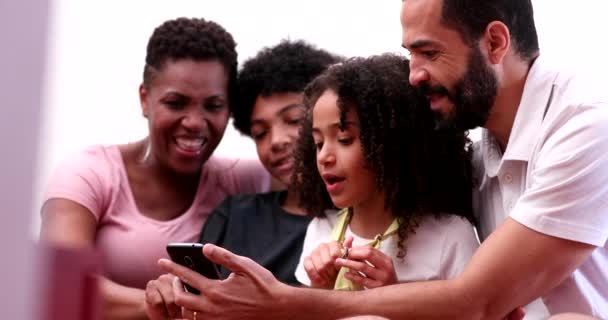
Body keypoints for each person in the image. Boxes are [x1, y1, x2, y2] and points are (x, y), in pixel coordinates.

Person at [157, 0, 608, 318]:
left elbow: (475, 300)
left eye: (428, 52)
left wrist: (284, 303)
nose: (414, 74)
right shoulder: (479, 142)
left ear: (494, 42)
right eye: (410, 53)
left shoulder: (587, 125)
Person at [39, 17, 270, 319]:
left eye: (213, 106)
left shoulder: (247, 181)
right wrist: (157, 302)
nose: (194, 122)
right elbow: (56, 281)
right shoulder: (88, 173)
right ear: (145, 99)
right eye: (175, 103)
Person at [143, 40, 340, 319]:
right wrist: (172, 303)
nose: (276, 141)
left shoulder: (356, 222)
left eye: (294, 120)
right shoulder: (234, 214)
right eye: (260, 133)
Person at [292, 54, 478, 290]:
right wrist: (321, 291)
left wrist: (391, 296)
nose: (324, 157)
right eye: (318, 143)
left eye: (344, 139)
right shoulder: (321, 229)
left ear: (393, 144)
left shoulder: (451, 237)